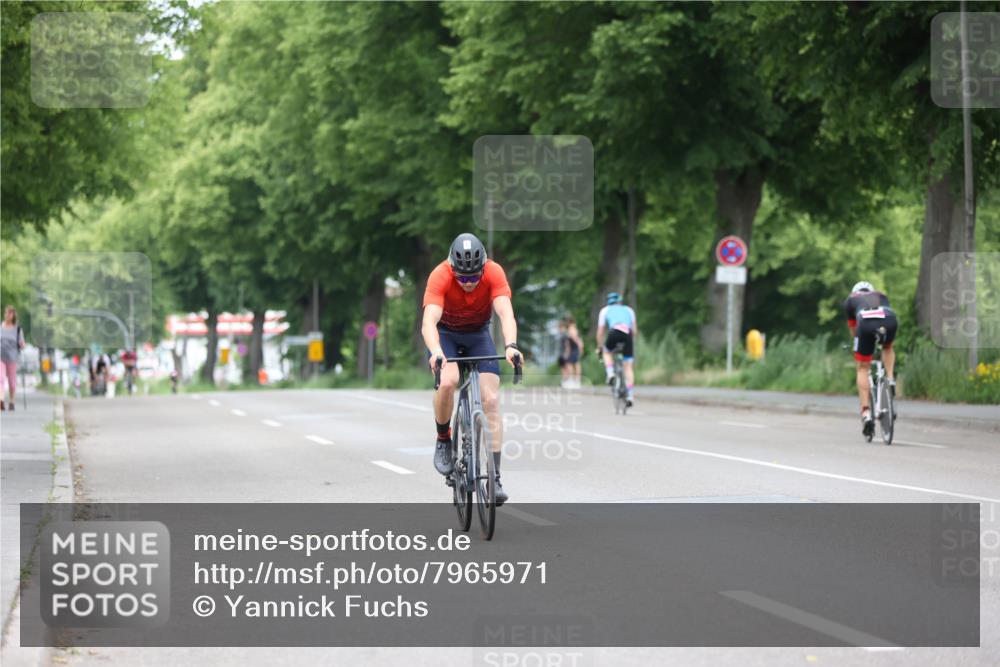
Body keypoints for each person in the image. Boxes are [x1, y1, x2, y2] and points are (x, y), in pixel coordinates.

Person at [422, 232, 519, 505]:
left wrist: (511, 345)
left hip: (478, 335)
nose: (468, 282)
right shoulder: (440, 275)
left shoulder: (494, 272)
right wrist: (437, 352)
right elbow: (429, 321)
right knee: (449, 381)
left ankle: (495, 477)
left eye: (474, 277)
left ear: (483, 268)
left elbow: (505, 312)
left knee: (491, 399)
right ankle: (443, 438)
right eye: (462, 278)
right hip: (446, 336)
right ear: (452, 268)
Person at [844, 281, 898, 437]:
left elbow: (854, 331)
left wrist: (861, 348)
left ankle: (866, 412)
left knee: (863, 367)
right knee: (887, 347)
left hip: (865, 322)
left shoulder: (850, 300)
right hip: (889, 319)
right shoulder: (881, 295)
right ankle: (890, 378)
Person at [596, 292, 637, 406]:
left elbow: (600, 331)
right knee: (628, 367)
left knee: (607, 352)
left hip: (613, 332)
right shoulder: (629, 310)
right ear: (620, 301)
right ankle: (630, 395)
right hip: (627, 334)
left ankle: (610, 374)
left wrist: (599, 346)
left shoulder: (605, 310)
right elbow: (634, 331)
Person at [1, 306, 26, 411]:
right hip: (0, 356)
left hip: (12, 357)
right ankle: (1, 400)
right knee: (0, 378)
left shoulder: (18, 329)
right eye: (7, 313)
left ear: (13, 316)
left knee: (12, 381)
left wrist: (21, 344)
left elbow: (23, 345)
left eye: (11, 313)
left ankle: (11, 401)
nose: (8, 315)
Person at [565, 316, 583, 388]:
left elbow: (576, 339)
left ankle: (576, 380)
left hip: (574, 349)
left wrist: (580, 347)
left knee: (574, 365)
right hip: (573, 349)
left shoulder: (572, 329)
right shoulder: (572, 329)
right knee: (573, 364)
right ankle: (575, 380)